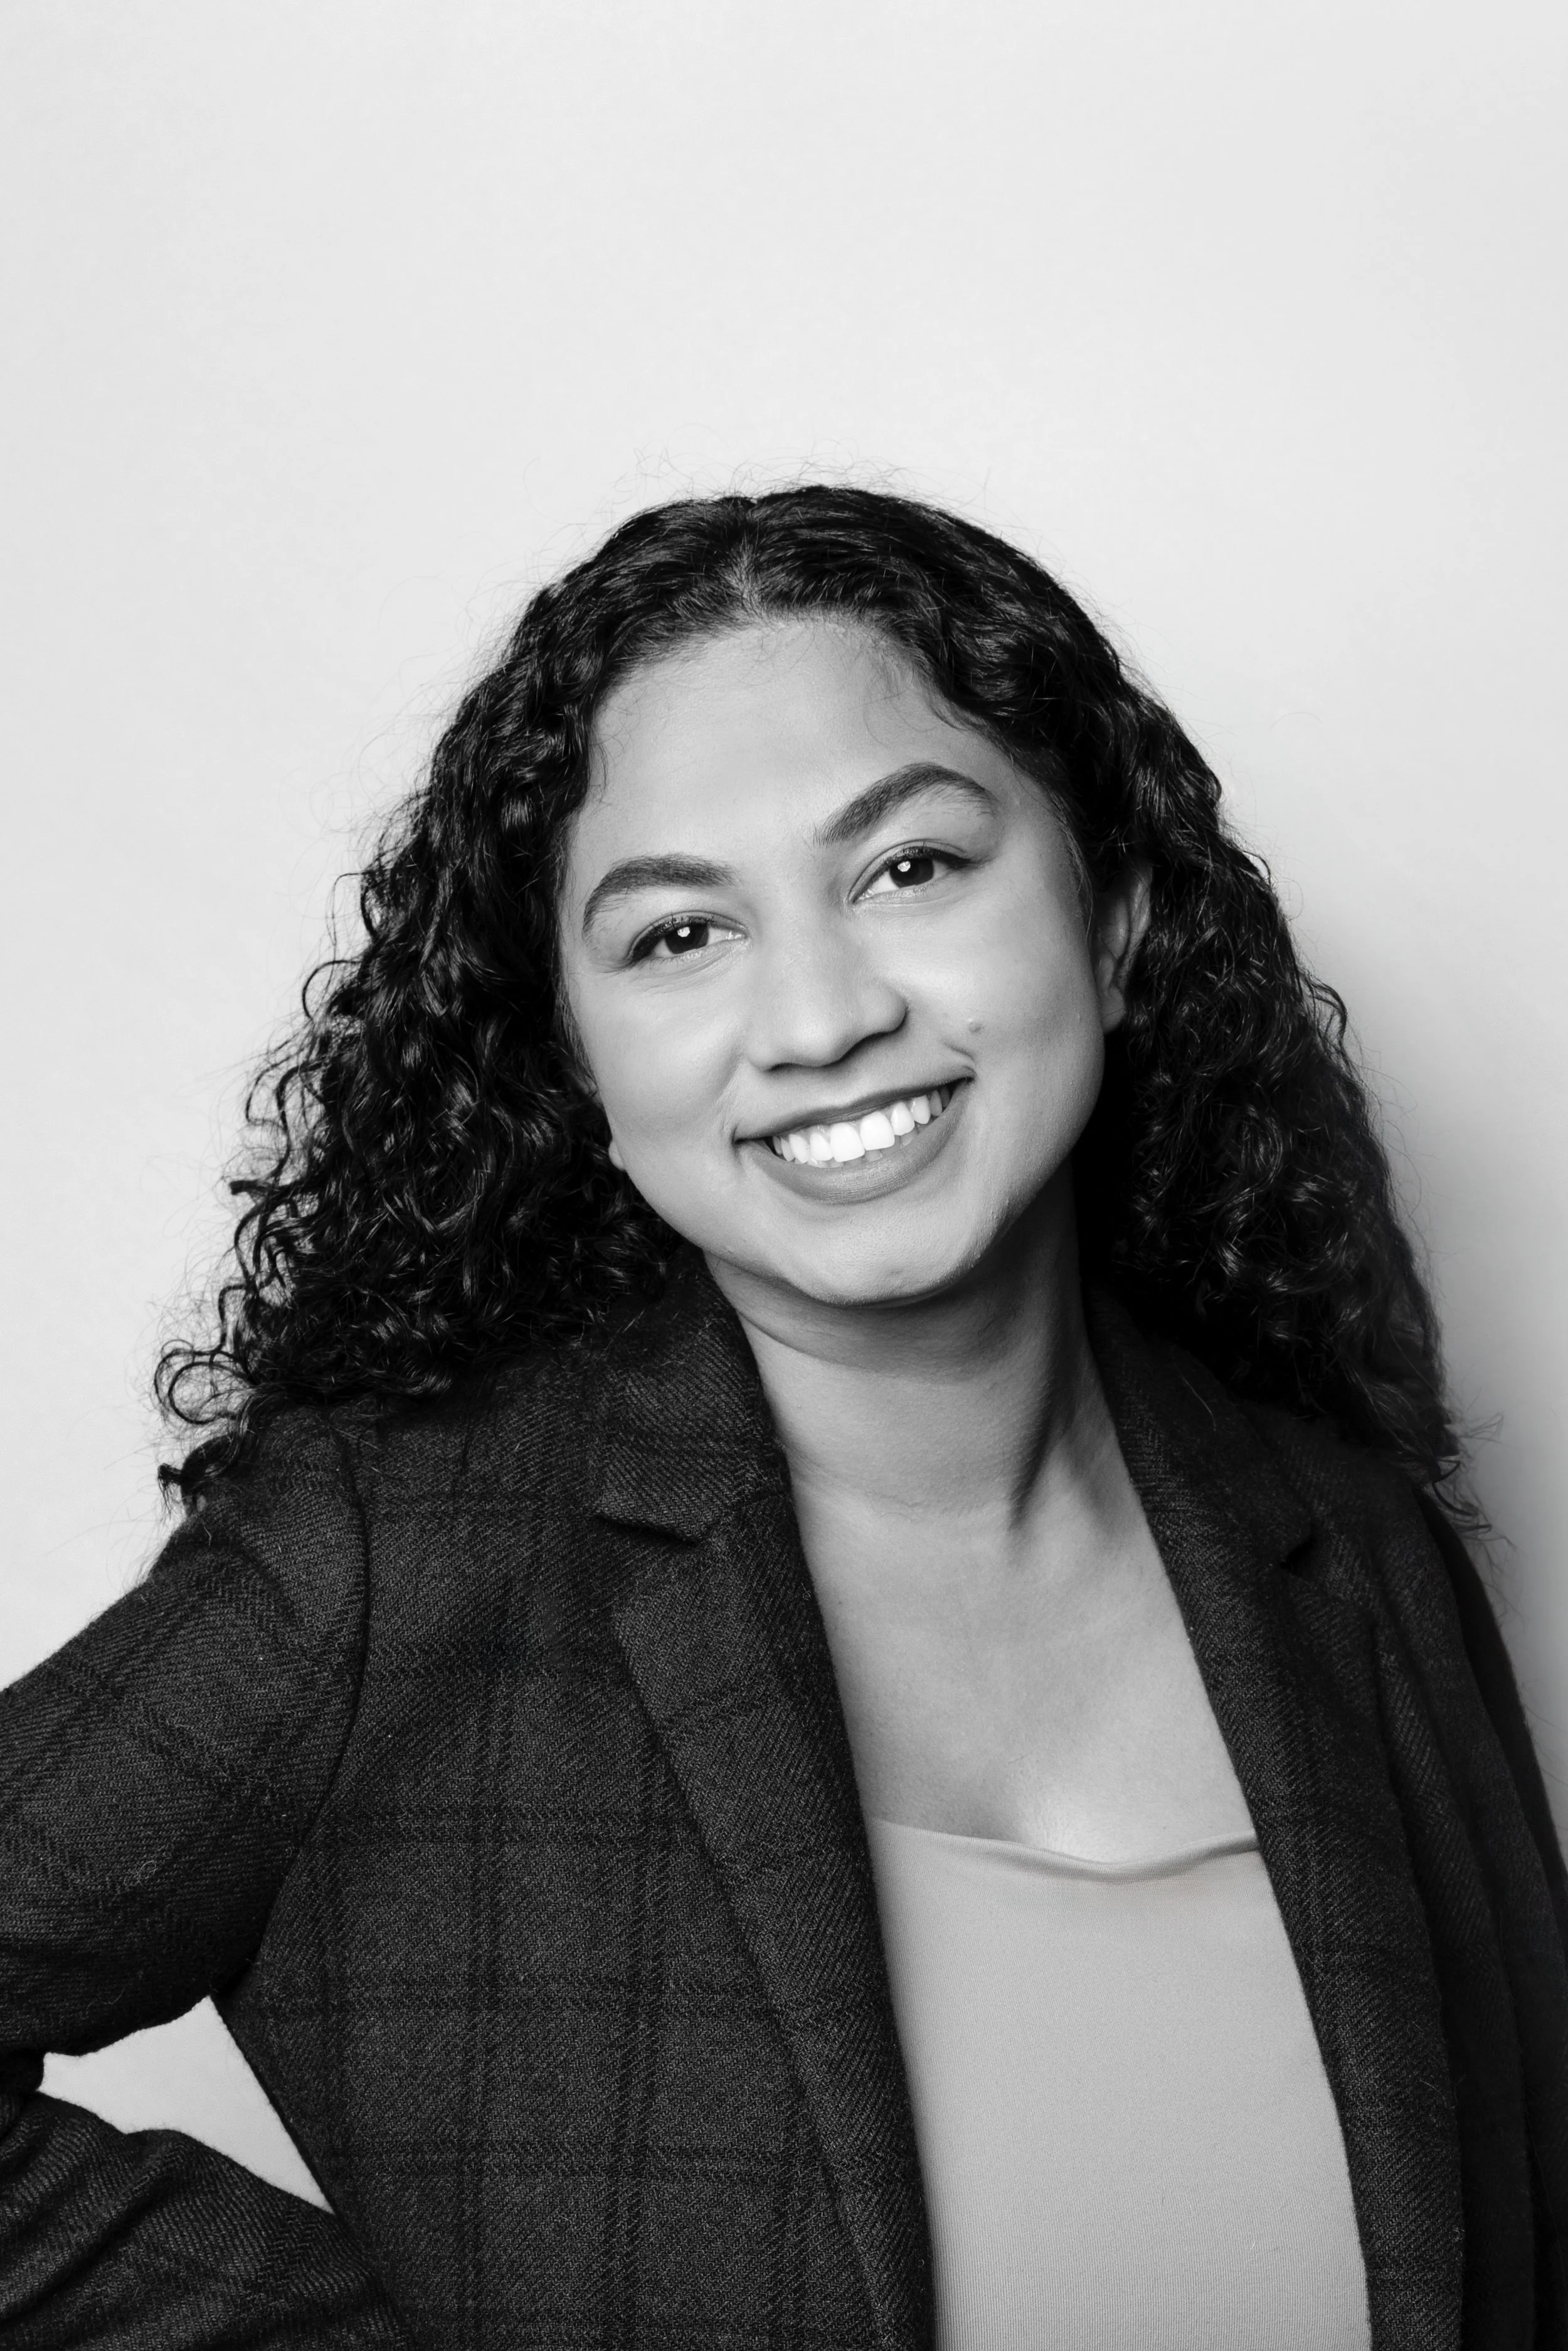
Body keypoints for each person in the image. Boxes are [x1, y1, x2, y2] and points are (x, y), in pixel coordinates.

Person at [3, 486, 1564, 2351]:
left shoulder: (1346, 1542)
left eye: (909, 867)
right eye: (677, 935)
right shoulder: (383, 1560)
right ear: (574, 1060)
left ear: (1115, 904)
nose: (817, 1015)